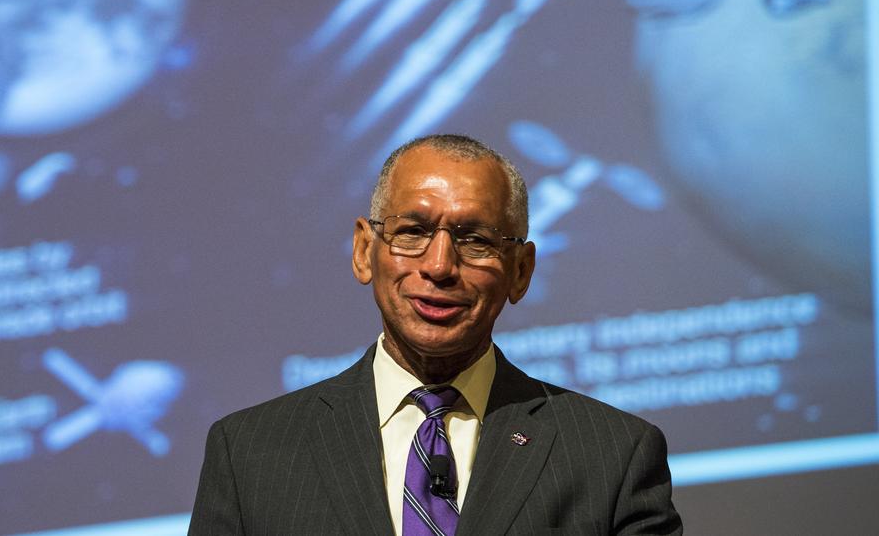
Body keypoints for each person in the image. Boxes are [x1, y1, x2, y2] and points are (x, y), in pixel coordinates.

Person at [188, 134, 682, 535]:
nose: (440, 266)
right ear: (364, 251)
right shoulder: (251, 453)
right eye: (412, 232)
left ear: (521, 271)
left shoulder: (612, 456)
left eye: (475, 240)